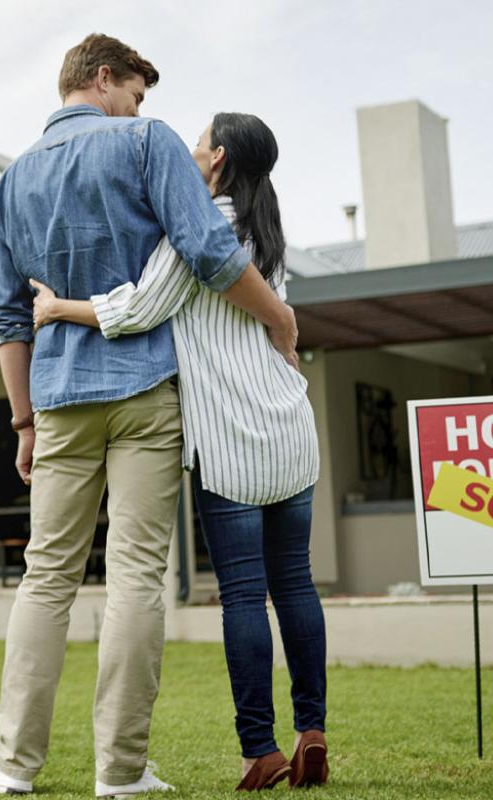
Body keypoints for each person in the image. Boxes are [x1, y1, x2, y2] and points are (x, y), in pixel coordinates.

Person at [0, 34, 298, 798]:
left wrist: (22, 423)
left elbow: (6, 316)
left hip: (56, 401)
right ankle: (120, 773)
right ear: (104, 77)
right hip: (143, 389)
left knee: (45, 578)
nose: (140, 107)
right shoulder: (145, 141)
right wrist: (281, 321)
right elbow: (210, 254)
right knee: (134, 578)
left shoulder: (11, 179)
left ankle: (11, 769)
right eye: (136, 91)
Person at [30, 112, 328, 790]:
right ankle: (313, 730)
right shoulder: (268, 232)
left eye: (198, 141)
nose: (189, 150)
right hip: (290, 423)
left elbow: (138, 309)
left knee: (245, 597)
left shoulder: (201, 227)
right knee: (297, 586)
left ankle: (262, 750)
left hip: (232, 439)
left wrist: (56, 309)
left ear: (216, 158)